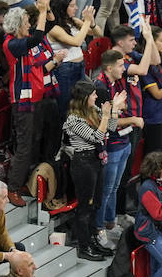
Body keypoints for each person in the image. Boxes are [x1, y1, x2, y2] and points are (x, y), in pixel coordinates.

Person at [62, 80, 117, 261]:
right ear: (85, 98)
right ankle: (83, 247)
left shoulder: (93, 111)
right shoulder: (73, 119)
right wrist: (107, 116)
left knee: (96, 205)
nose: (96, 96)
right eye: (93, 94)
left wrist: (113, 111)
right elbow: (97, 136)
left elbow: (111, 127)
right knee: (85, 208)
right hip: (83, 163)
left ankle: (93, 242)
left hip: (96, 161)